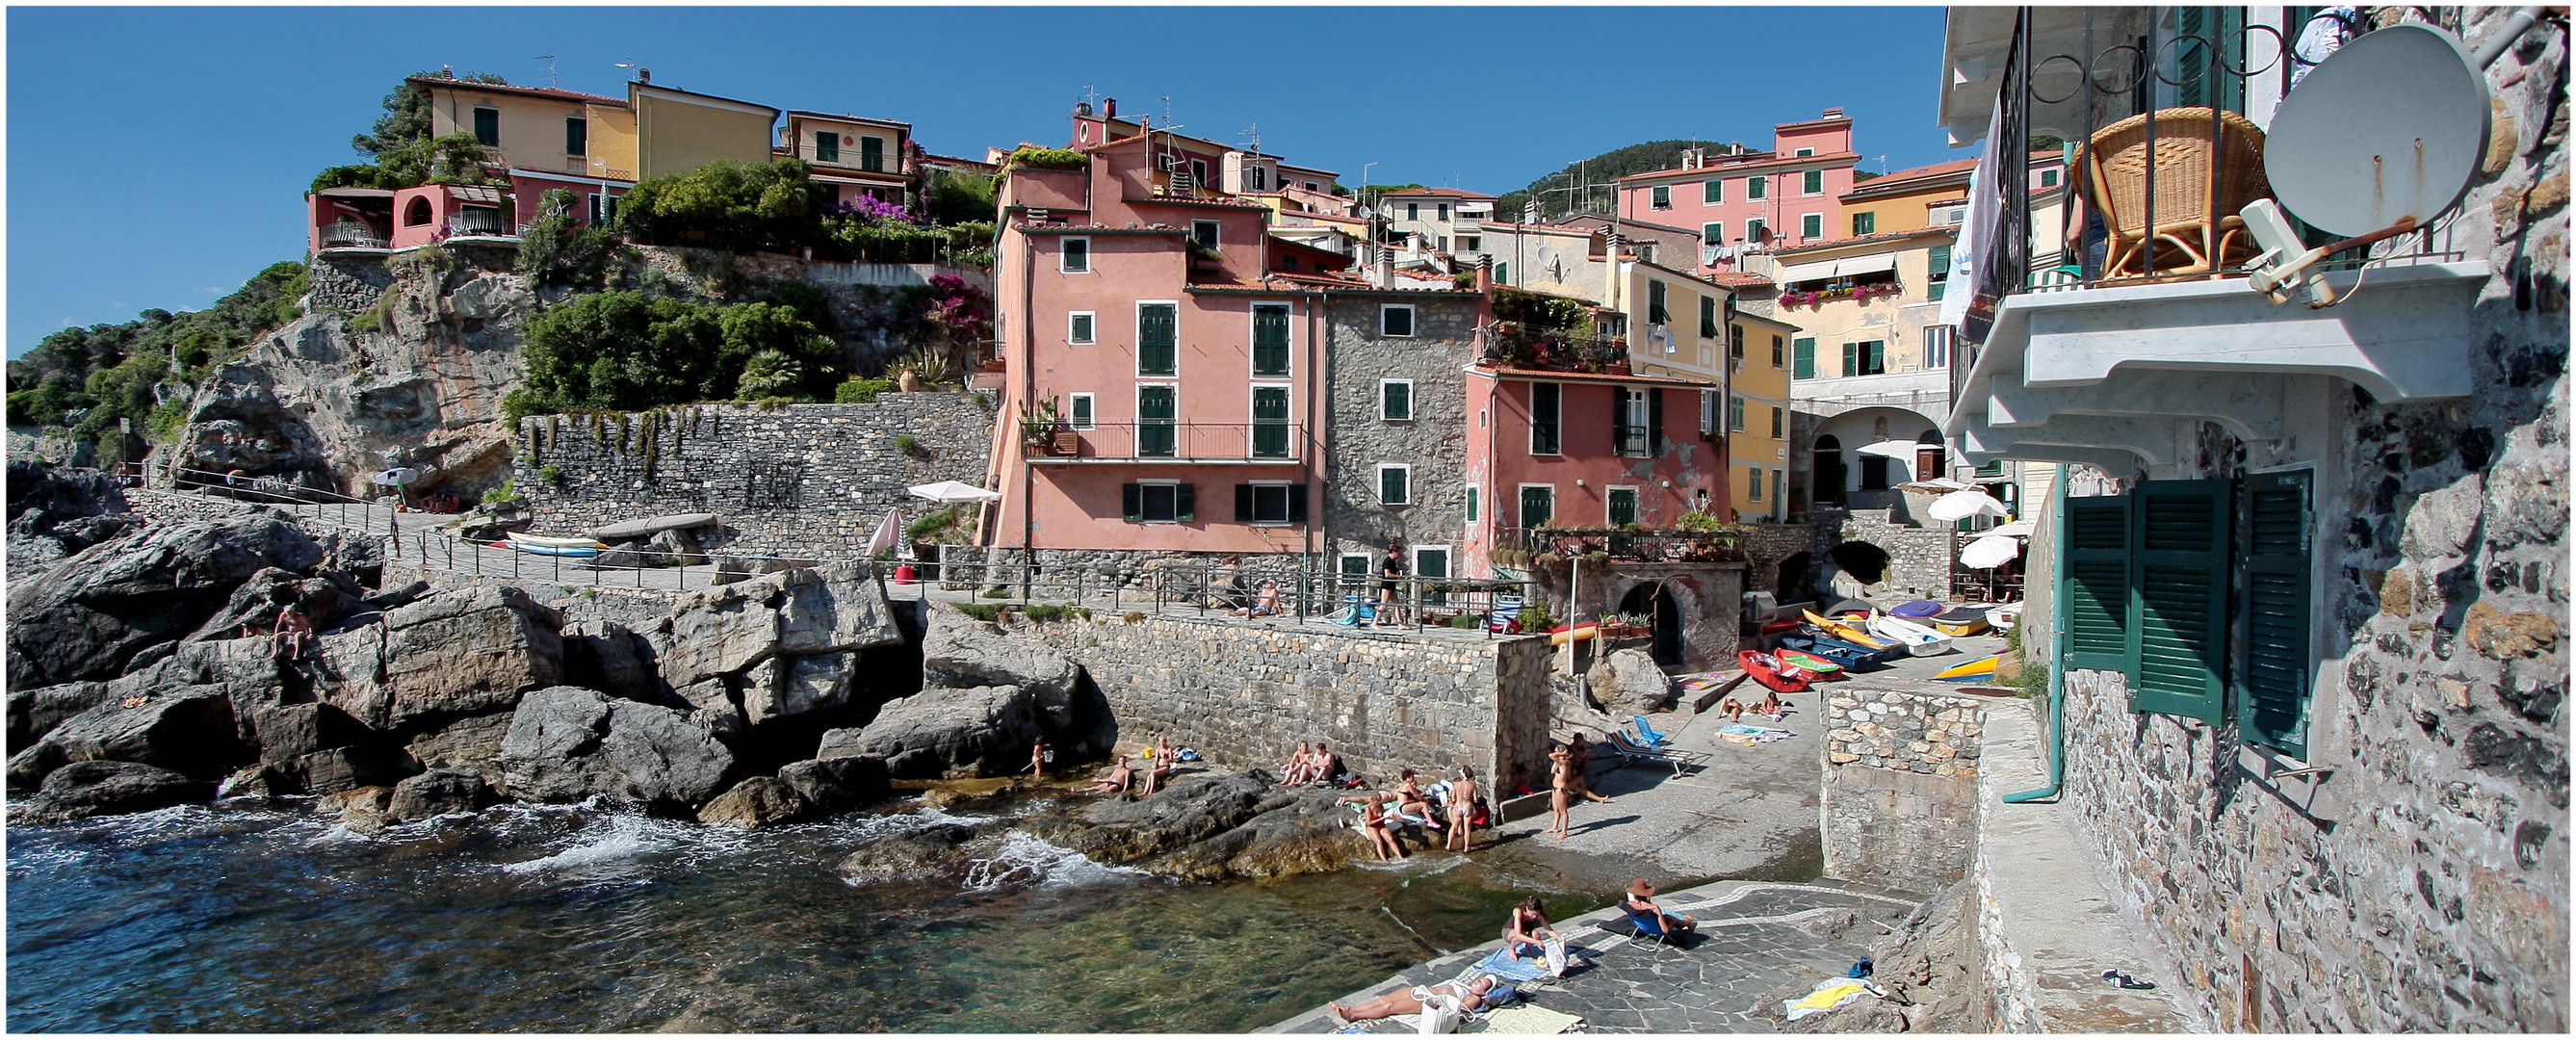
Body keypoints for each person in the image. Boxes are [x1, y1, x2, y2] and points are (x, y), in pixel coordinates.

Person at [1328, 975, 1496, 1025]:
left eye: (1483, 983)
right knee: (1384, 999)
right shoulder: (1465, 986)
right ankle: (1351, 1009)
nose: (1478, 981)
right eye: (1480, 979)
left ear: (1485, 992)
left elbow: (1457, 1010)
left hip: (1428, 1000)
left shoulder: (1474, 999)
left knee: (1389, 1006)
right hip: (1421, 991)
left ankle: (1354, 1016)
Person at [1340, 792, 1407, 861]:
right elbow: (1369, 823)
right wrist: (1381, 818)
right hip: (1371, 826)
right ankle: (1385, 860)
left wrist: (1387, 816)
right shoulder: (1368, 808)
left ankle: (1400, 856)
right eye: (1376, 802)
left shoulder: (1380, 806)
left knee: (1390, 838)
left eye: (1379, 802)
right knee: (1379, 841)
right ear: (1372, 800)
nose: (1377, 804)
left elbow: (1383, 817)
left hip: (1381, 825)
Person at [1622, 879, 1697, 937]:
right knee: (1672, 919)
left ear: (1634, 895)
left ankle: (1686, 921)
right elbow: (1665, 930)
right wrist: (1671, 921)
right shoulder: (1654, 908)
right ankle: (1688, 921)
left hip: (1643, 927)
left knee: (1667, 916)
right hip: (1657, 928)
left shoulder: (1629, 905)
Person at [1503, 896, 1562, 960]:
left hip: (1526, 931)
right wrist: (1536, 942)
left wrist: (1559, 938)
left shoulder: (1539, 915)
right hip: (1510, 931)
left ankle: (1528, 948)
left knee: (1536, 934)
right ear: (1527, 908)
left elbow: (1549, 930)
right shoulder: (1518, 911)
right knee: (1522, 935)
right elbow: (1518, 934)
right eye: (1532, 914)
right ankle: (1512, 948)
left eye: (1536, 915)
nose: (1534, 917)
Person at [1567, 734, 1611, 805]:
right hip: (1564, 784)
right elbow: (1581, 755)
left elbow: (1585, 754)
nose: (1579, 742)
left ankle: (1598, 799)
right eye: (1577, 741)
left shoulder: (1582, 747)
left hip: (1569, 781)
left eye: (1580, 741)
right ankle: (1586, 798)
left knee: (1580, 787)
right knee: (1580, 783)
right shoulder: (1571, 751)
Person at [1445, 766, 1480, 853]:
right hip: (1468, 807)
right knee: (1467, 828)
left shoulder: (1457, 784)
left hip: (1458, 806)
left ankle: (1449, 845)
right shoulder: (1473, 785)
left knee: (1454, 826)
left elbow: (1453, 798)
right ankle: (1466, 847)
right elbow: (1476, 799)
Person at [1547, 743, 1575, 840]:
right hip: (1555, 787)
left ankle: (1564, 831)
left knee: (1563, 811)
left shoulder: (1564, 762)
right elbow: (1552, 771)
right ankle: (1555, 827)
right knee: (1556, 809)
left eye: (1557, 751)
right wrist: (1558, 758)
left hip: (1560, 788)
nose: (1555, 753)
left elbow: (1550, 756)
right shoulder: (1559, 762)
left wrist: (1560, 754)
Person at [1376, 544, 1408, 627]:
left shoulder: (1393, 561)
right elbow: (1387, 574)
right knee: (1383, 605)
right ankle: (1375, 622)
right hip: (1387, 585)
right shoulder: (1388, 561)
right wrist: (1399, 577)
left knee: (1397, 604)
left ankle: (1400, 624)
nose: (1400, 554)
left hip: (1392, 585)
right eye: (1398, 552)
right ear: (1394, 552)